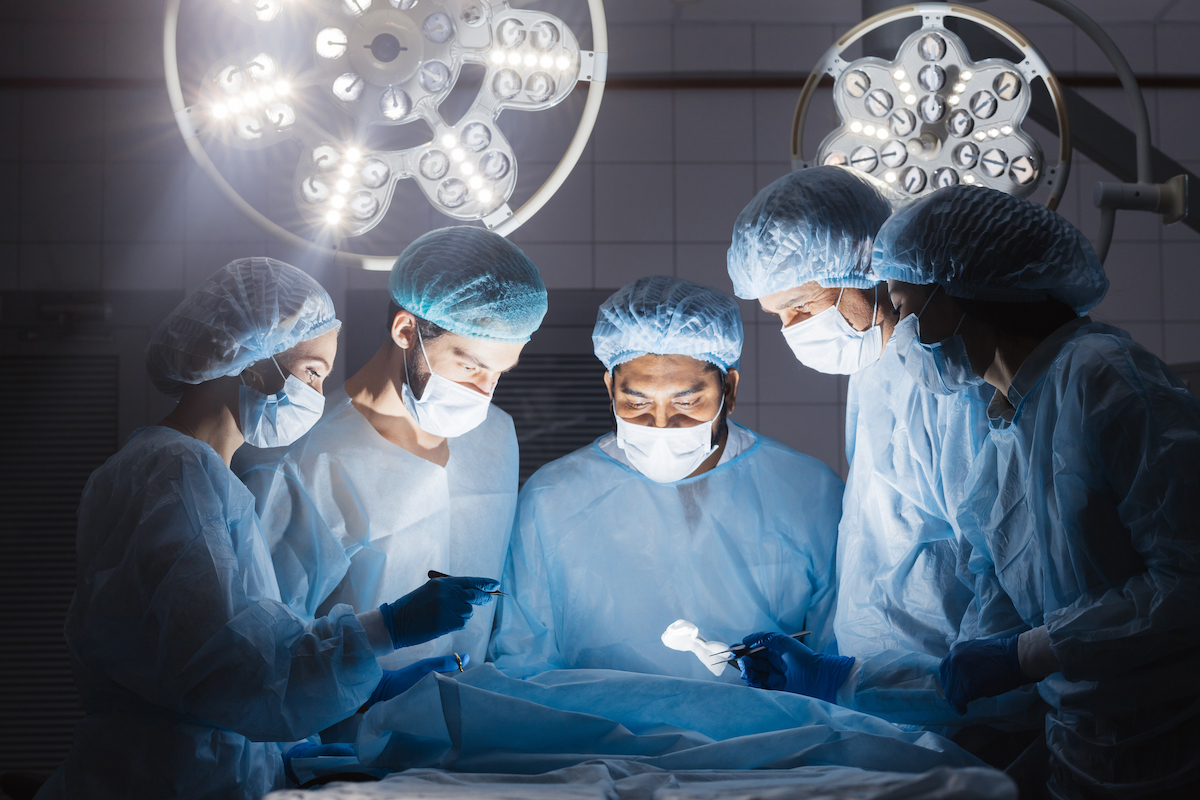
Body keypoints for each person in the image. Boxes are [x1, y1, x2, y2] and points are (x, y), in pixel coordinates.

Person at [35, 258, 497, 800]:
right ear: (254, 362)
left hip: (194, 769)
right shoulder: (175, 472)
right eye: (313, 373)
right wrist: (387, 629)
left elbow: (204, 657)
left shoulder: (199, 475)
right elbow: (226, 666)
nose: (317, 395)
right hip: (164, 780)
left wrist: (310, 730)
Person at [870, 185, 1200, 798]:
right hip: (1080, 750)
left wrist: (1032, 654)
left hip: (1176, 743)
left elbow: (1188, 582)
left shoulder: (1104, 378)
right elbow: (988, 641)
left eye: (903, 308)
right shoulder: (1003, 431)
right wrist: (842, 680)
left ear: (960, 292)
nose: (899, 336)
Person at [726, 168, 1036, 738]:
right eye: (779, 317)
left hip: (965, 717)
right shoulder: (874, 373)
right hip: (889, 702)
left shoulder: (952, 384)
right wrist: (837, 671)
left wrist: (939, 688)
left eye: (800, 306)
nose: (793, 329)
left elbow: (1003, 579)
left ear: (864, 269)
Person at [489, 275, 843, 681]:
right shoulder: (552, 498)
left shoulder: (807, 491)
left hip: (770, 738)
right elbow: (524, 662)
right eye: (636, 403)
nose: (661, 424)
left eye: (687, 402)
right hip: (597, 739)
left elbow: (837, 654)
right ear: (610, 387)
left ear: (729, 388)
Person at [239, 227, 547, 676]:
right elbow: (268, 648)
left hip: (469, 719)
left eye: (500, 373)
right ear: (407, 330)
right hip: (349, 734)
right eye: (469, 367)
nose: (484, 393)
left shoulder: (495, 435)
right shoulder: (303, 459)